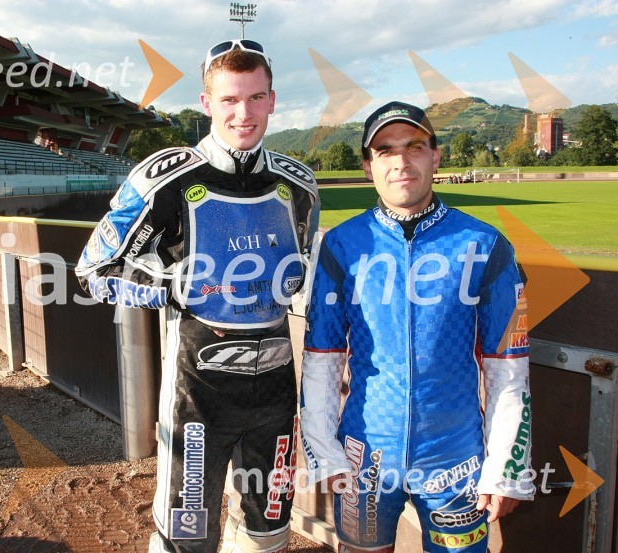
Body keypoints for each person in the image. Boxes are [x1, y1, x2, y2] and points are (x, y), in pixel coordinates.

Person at [76, 39, 319, 552]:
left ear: (272, 101)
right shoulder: (164, 178)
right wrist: (173, 287)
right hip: (196, 396)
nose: (244, 113)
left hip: (276, 393)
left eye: (255, 98)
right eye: (230, 99)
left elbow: (296, 281)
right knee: (185, 539)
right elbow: (93, 269)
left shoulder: (299, 186)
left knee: (270, 534)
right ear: (207, 103)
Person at [299, 101, 534, 553]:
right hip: (364, 455)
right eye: (386, 151)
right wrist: (323, 451)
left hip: (455, 458)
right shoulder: (342, 246)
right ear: (369, 167)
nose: (402, 162)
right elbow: (321, 361)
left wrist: (507, 463)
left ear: (436, 156)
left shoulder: (486, 245)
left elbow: (509, 369)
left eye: (415, 147)